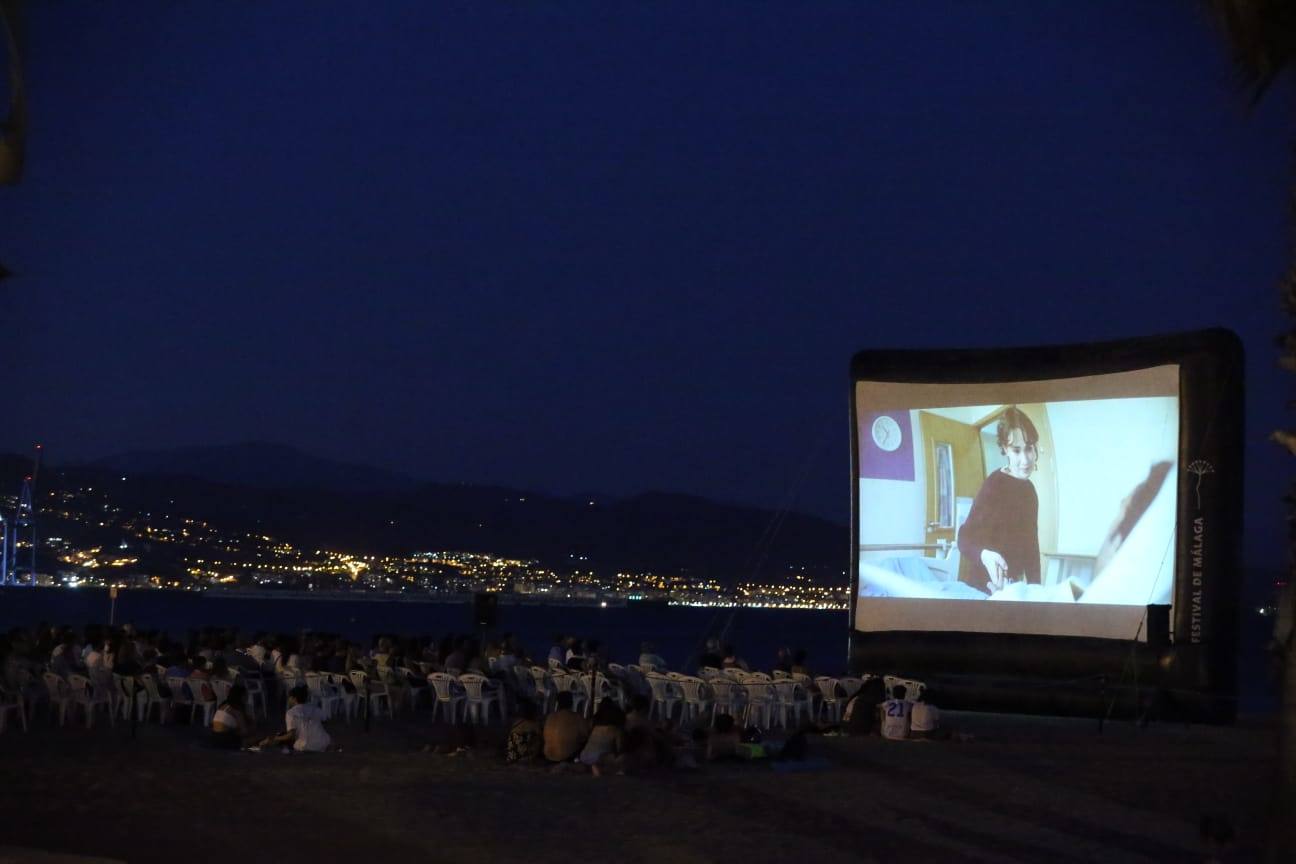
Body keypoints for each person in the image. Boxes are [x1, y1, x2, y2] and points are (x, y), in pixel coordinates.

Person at [957, 406, 1042, 593]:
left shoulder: (1030, 491)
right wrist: (985, 556)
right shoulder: (993, 485)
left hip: (1012, 589)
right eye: (1016, 450)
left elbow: (1031, 547)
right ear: (1006, 449)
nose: (1025, 460)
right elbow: (963, 538)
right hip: (982, 587)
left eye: (1029, 449)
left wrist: (1036, 590)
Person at [260, 685, 332, 752]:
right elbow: (327, 720)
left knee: (284, 739)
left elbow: (291, 735)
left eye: (289, 697)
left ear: (294, 698)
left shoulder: (291, 713)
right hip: (323, 743)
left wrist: (274, 738)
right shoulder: (314, 708)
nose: (288, 700)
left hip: (305, 745)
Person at [578, 700, 626, 775]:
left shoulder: (596, 727)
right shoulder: (616, 731)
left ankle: (593, 767)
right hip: (598, 758)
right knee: (621, 757)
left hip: (584, 755)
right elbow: (620, 749)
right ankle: (597, 768)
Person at [542, 692, 589, 763]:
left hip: (548, 756)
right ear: (571, 702)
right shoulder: (576, 717)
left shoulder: (550, 717)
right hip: (567, 757)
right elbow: (586, 735)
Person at [211, 684, 253, 750]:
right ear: (241, 696)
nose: (247, 697)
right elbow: (244, 731)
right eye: (245, 695)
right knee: (254, 734)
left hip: (214, 736)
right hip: (225, 739)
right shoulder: (236, 709)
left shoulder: (224, 705)